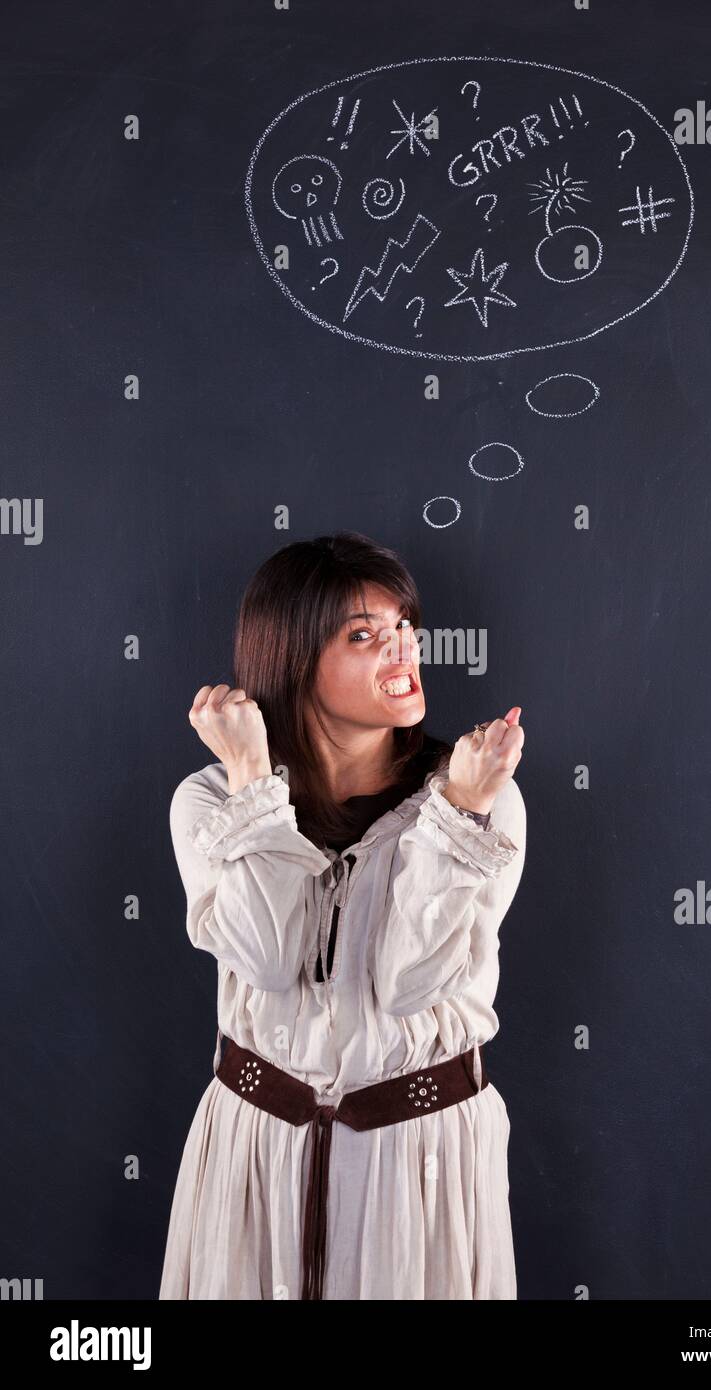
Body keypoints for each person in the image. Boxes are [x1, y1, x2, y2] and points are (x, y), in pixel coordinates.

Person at [159, 531, 527, 1299]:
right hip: (256, 1153)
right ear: (293, 657)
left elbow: (408, 984)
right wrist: (255, 783)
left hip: (419, 1161)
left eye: (405, 629)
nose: (402, 652)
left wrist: (459, 814)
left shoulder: (475, 795)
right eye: (364, 635)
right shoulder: (210, 799)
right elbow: (264, 956)